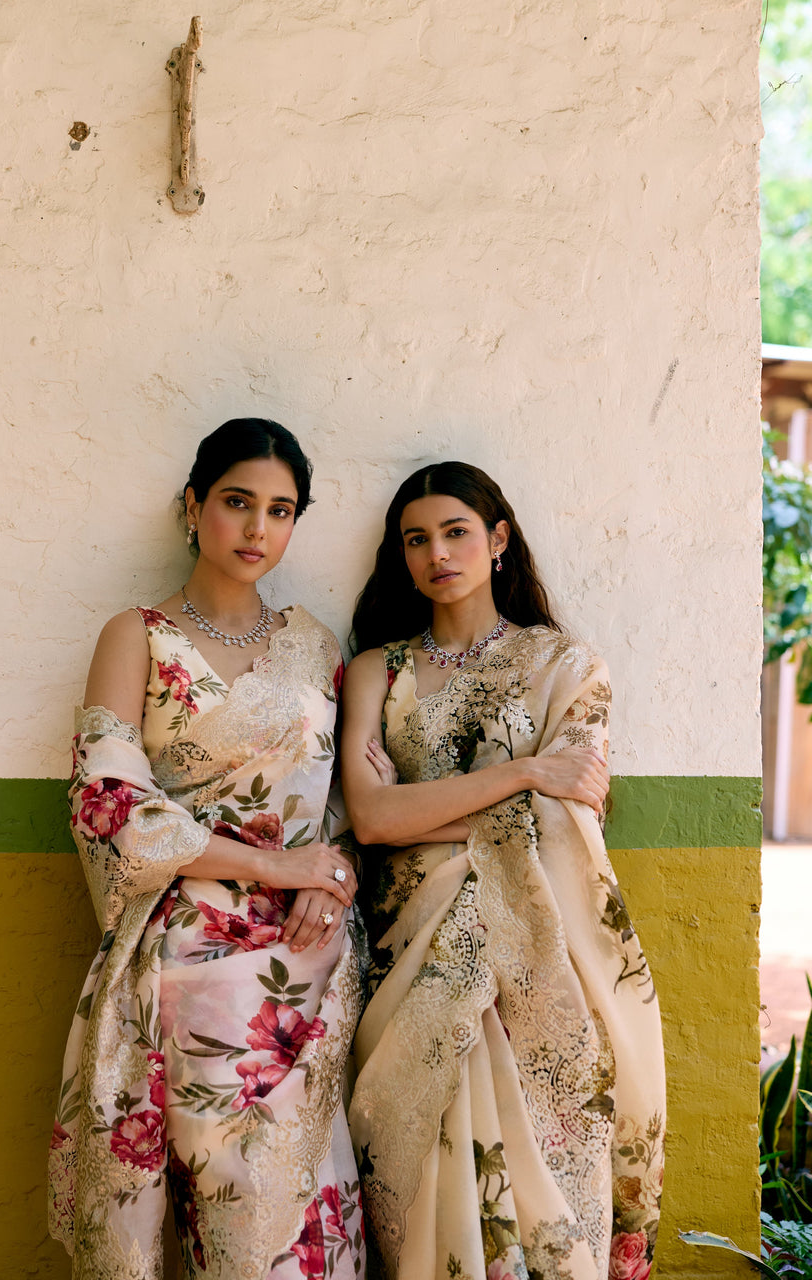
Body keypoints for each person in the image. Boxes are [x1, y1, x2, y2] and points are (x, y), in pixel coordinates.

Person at [48, 419, 366, 1280]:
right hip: (191, 959)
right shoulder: (139, 636)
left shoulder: (315, 646)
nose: (258, 529)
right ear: (193, 507)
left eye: (281, 509)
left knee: (312, 1217)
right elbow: (110, 803)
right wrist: (272, 865)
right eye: (237, 502)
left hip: (312, 964)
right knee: (238, 1223)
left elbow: (342, 809)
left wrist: (327, 879)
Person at [341, 462, 664, 1280]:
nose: (436, 554)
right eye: (416, 540)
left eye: (455, 532)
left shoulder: (565, 667)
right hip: (407, 957)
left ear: (498, 540)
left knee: (547, 1190)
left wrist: (425, 811)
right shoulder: (379, 669)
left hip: (537, 962)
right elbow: (373, 820)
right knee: (421, 1180)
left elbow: (567, 823)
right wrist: (521, 776)